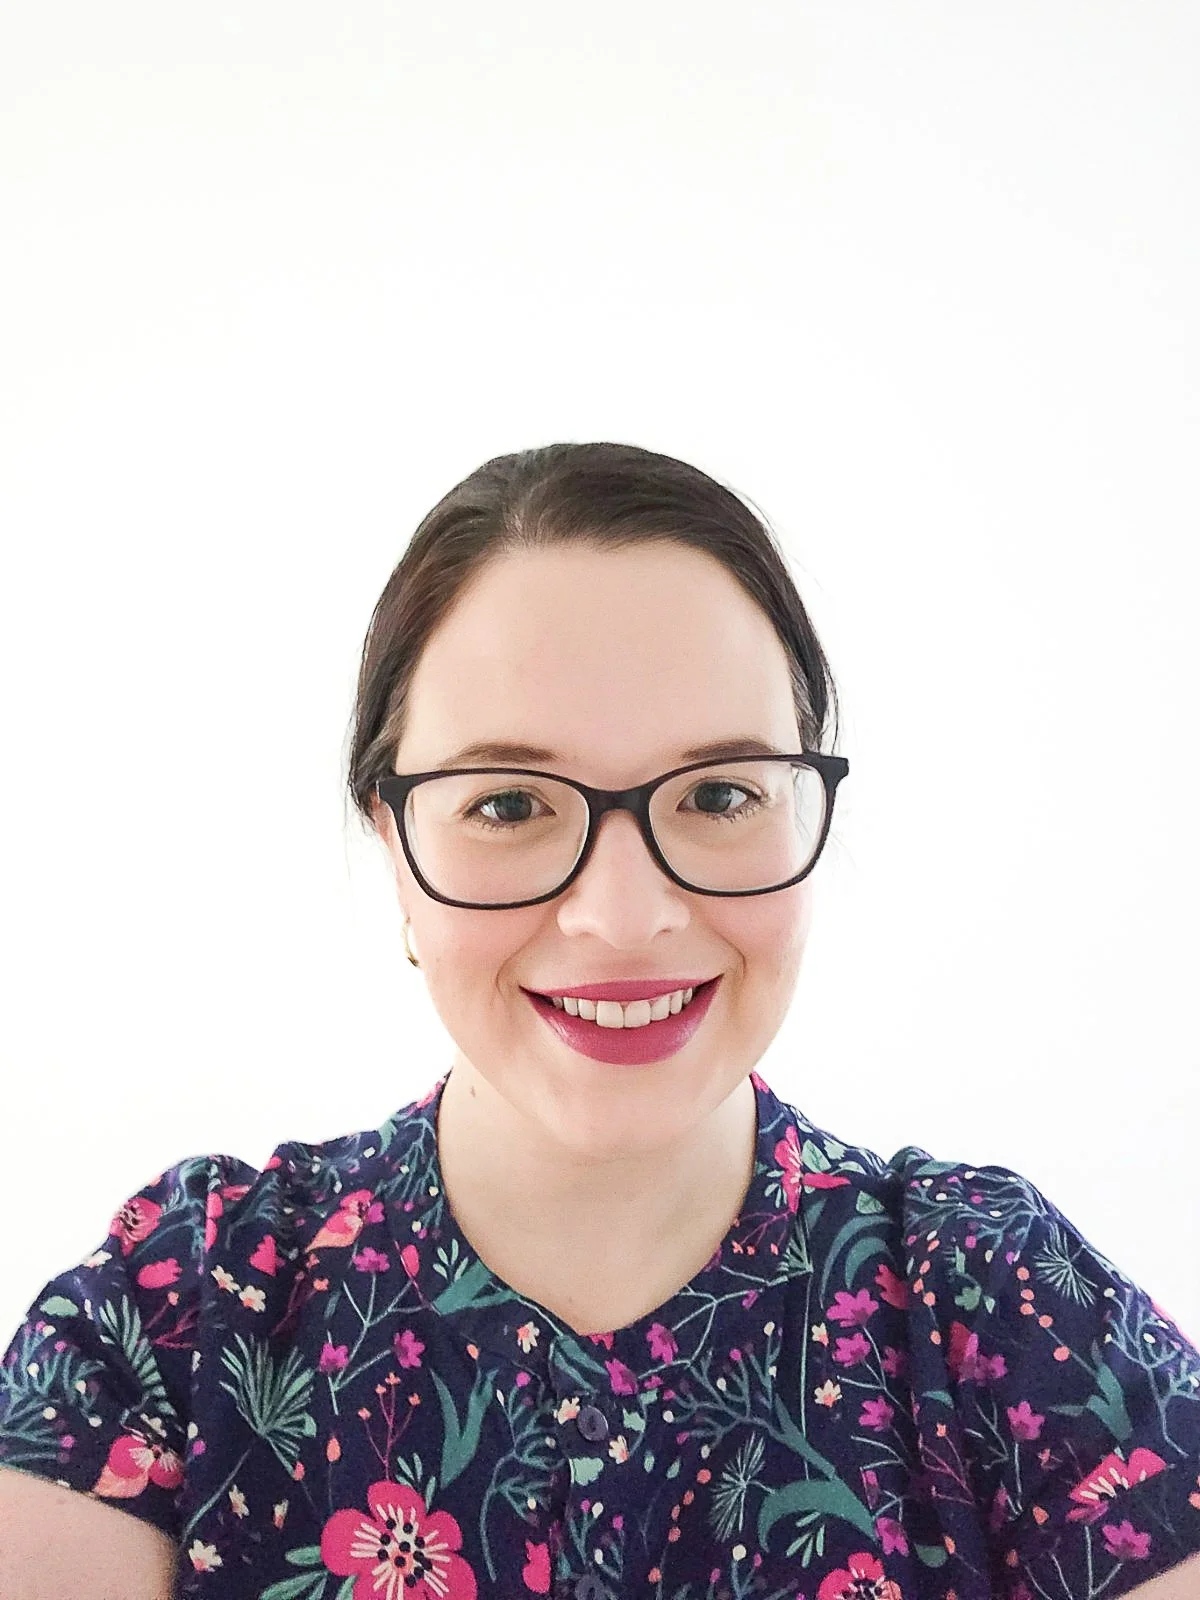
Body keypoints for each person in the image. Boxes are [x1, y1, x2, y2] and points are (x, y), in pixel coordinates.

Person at [1, 443, 1198, 1600]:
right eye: (509, 804)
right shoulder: (187, 1305)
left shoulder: (993, 1299)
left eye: (719, 793)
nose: (623, 919)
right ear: (392, 840)